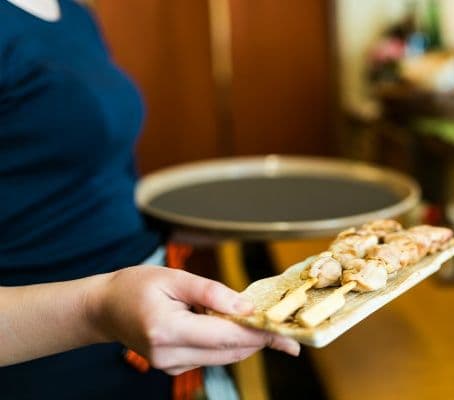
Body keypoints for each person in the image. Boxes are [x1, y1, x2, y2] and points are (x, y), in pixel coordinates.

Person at [0, 0, 300, 398]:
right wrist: (95, 309)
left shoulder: (74, 15)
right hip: (49, 367)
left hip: (143, 332)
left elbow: (85, 180)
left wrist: (182, 226)